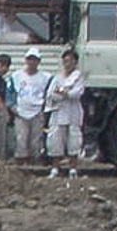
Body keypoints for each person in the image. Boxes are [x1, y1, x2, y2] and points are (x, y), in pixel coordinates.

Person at [44, 48, 85, 178]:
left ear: (75, 62)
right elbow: (50, 94)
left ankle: (73, 169)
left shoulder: (78, 77)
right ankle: (55, 168)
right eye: (65, 61)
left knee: (73, 140)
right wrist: (63, 93)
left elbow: (77, 93)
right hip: (58, 111)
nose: (67, 64)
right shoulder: (57, 77)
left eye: (70, 61)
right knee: (55, 140)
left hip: (73, 112)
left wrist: (63, 92)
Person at [10, 48, 51, 166]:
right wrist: (12, 107)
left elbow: (49, 93)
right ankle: (21, 163)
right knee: (21, 139)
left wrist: (45, 108)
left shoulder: (46, 77)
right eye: (29, 59)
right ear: (26, 60)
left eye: (35, 59)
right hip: (20, 112)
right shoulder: (16, 76)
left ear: (39, 61)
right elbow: (9, 92)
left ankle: (35, 162)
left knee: (35, 140)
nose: (32, 62)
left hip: (37, 112)